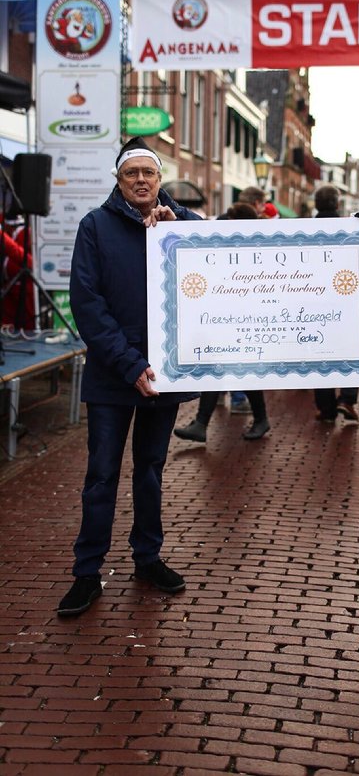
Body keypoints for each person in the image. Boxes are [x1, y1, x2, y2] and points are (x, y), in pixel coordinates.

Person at [57, 137, 201, 618]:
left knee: (151, 471)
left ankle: (148, 557)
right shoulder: (95, 226)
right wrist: (128, 364)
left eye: (149, 174)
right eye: (131, 174)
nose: (141, 180)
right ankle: (86, 572)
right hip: (113, 377)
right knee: (101, 475)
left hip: (163, 376)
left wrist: (179, 225)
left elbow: (218, 255)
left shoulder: (181, 225)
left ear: (160, 181)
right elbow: (87, 304)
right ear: (118, 181)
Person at [173, 199, 271, 443]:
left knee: (233, 369)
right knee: (222, 368)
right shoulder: (237, 244)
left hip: (244, 319)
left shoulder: (255, 246)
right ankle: (203, 424)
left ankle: (255, 420)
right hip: (229, 318)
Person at [312, 184, 359, 423]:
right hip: (343, 299)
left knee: (320, 353)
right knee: (350, 349)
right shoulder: (349, 228)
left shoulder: (303, 227)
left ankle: (326, 408)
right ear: (338, 204)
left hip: (313, 301)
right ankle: (347, 399)